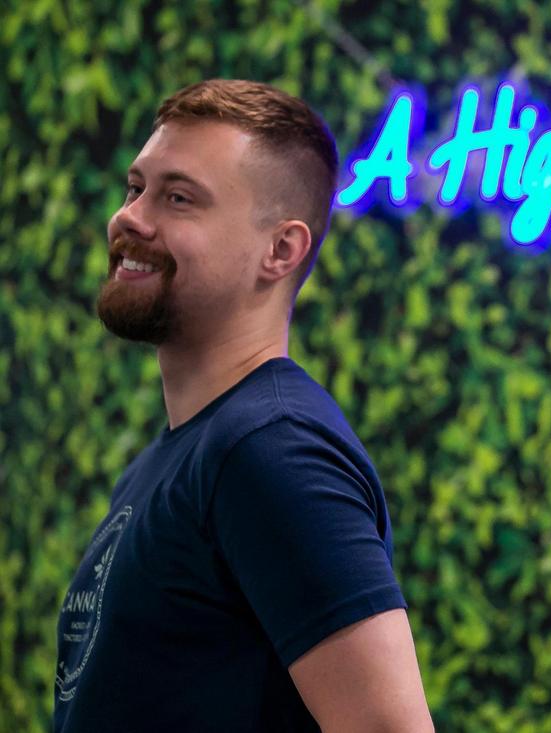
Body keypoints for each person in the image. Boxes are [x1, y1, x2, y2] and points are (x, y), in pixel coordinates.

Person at [54, 79, 435, 732]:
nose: (130, 217)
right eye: (135, 187)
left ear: (280, 251)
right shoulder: (185, 454)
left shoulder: (270, 447)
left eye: (178, 198)